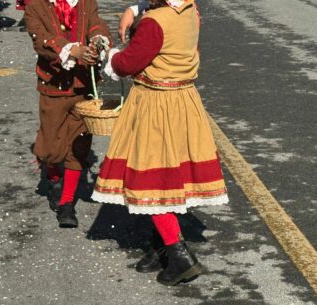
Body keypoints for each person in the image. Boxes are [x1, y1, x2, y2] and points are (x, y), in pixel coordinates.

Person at [92, 0, 228, 286]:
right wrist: (134, 11)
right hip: (183, 99)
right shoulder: (190, 11)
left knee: (151, 180)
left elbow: (128, 63)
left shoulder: (155, 21)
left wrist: (109, 56)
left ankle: (180, 257)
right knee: (172, 175)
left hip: (156, 103)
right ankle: (160, 247)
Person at [24, 0, 111, 228]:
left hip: (83, 86)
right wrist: (71, 49)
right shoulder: (35, 6)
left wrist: (97, 40)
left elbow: (95, 24)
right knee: (51, 146)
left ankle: (66, 204)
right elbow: (40, 39)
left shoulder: (85, 2)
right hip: (52, 86)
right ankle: (53, 178)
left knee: (79, 144)